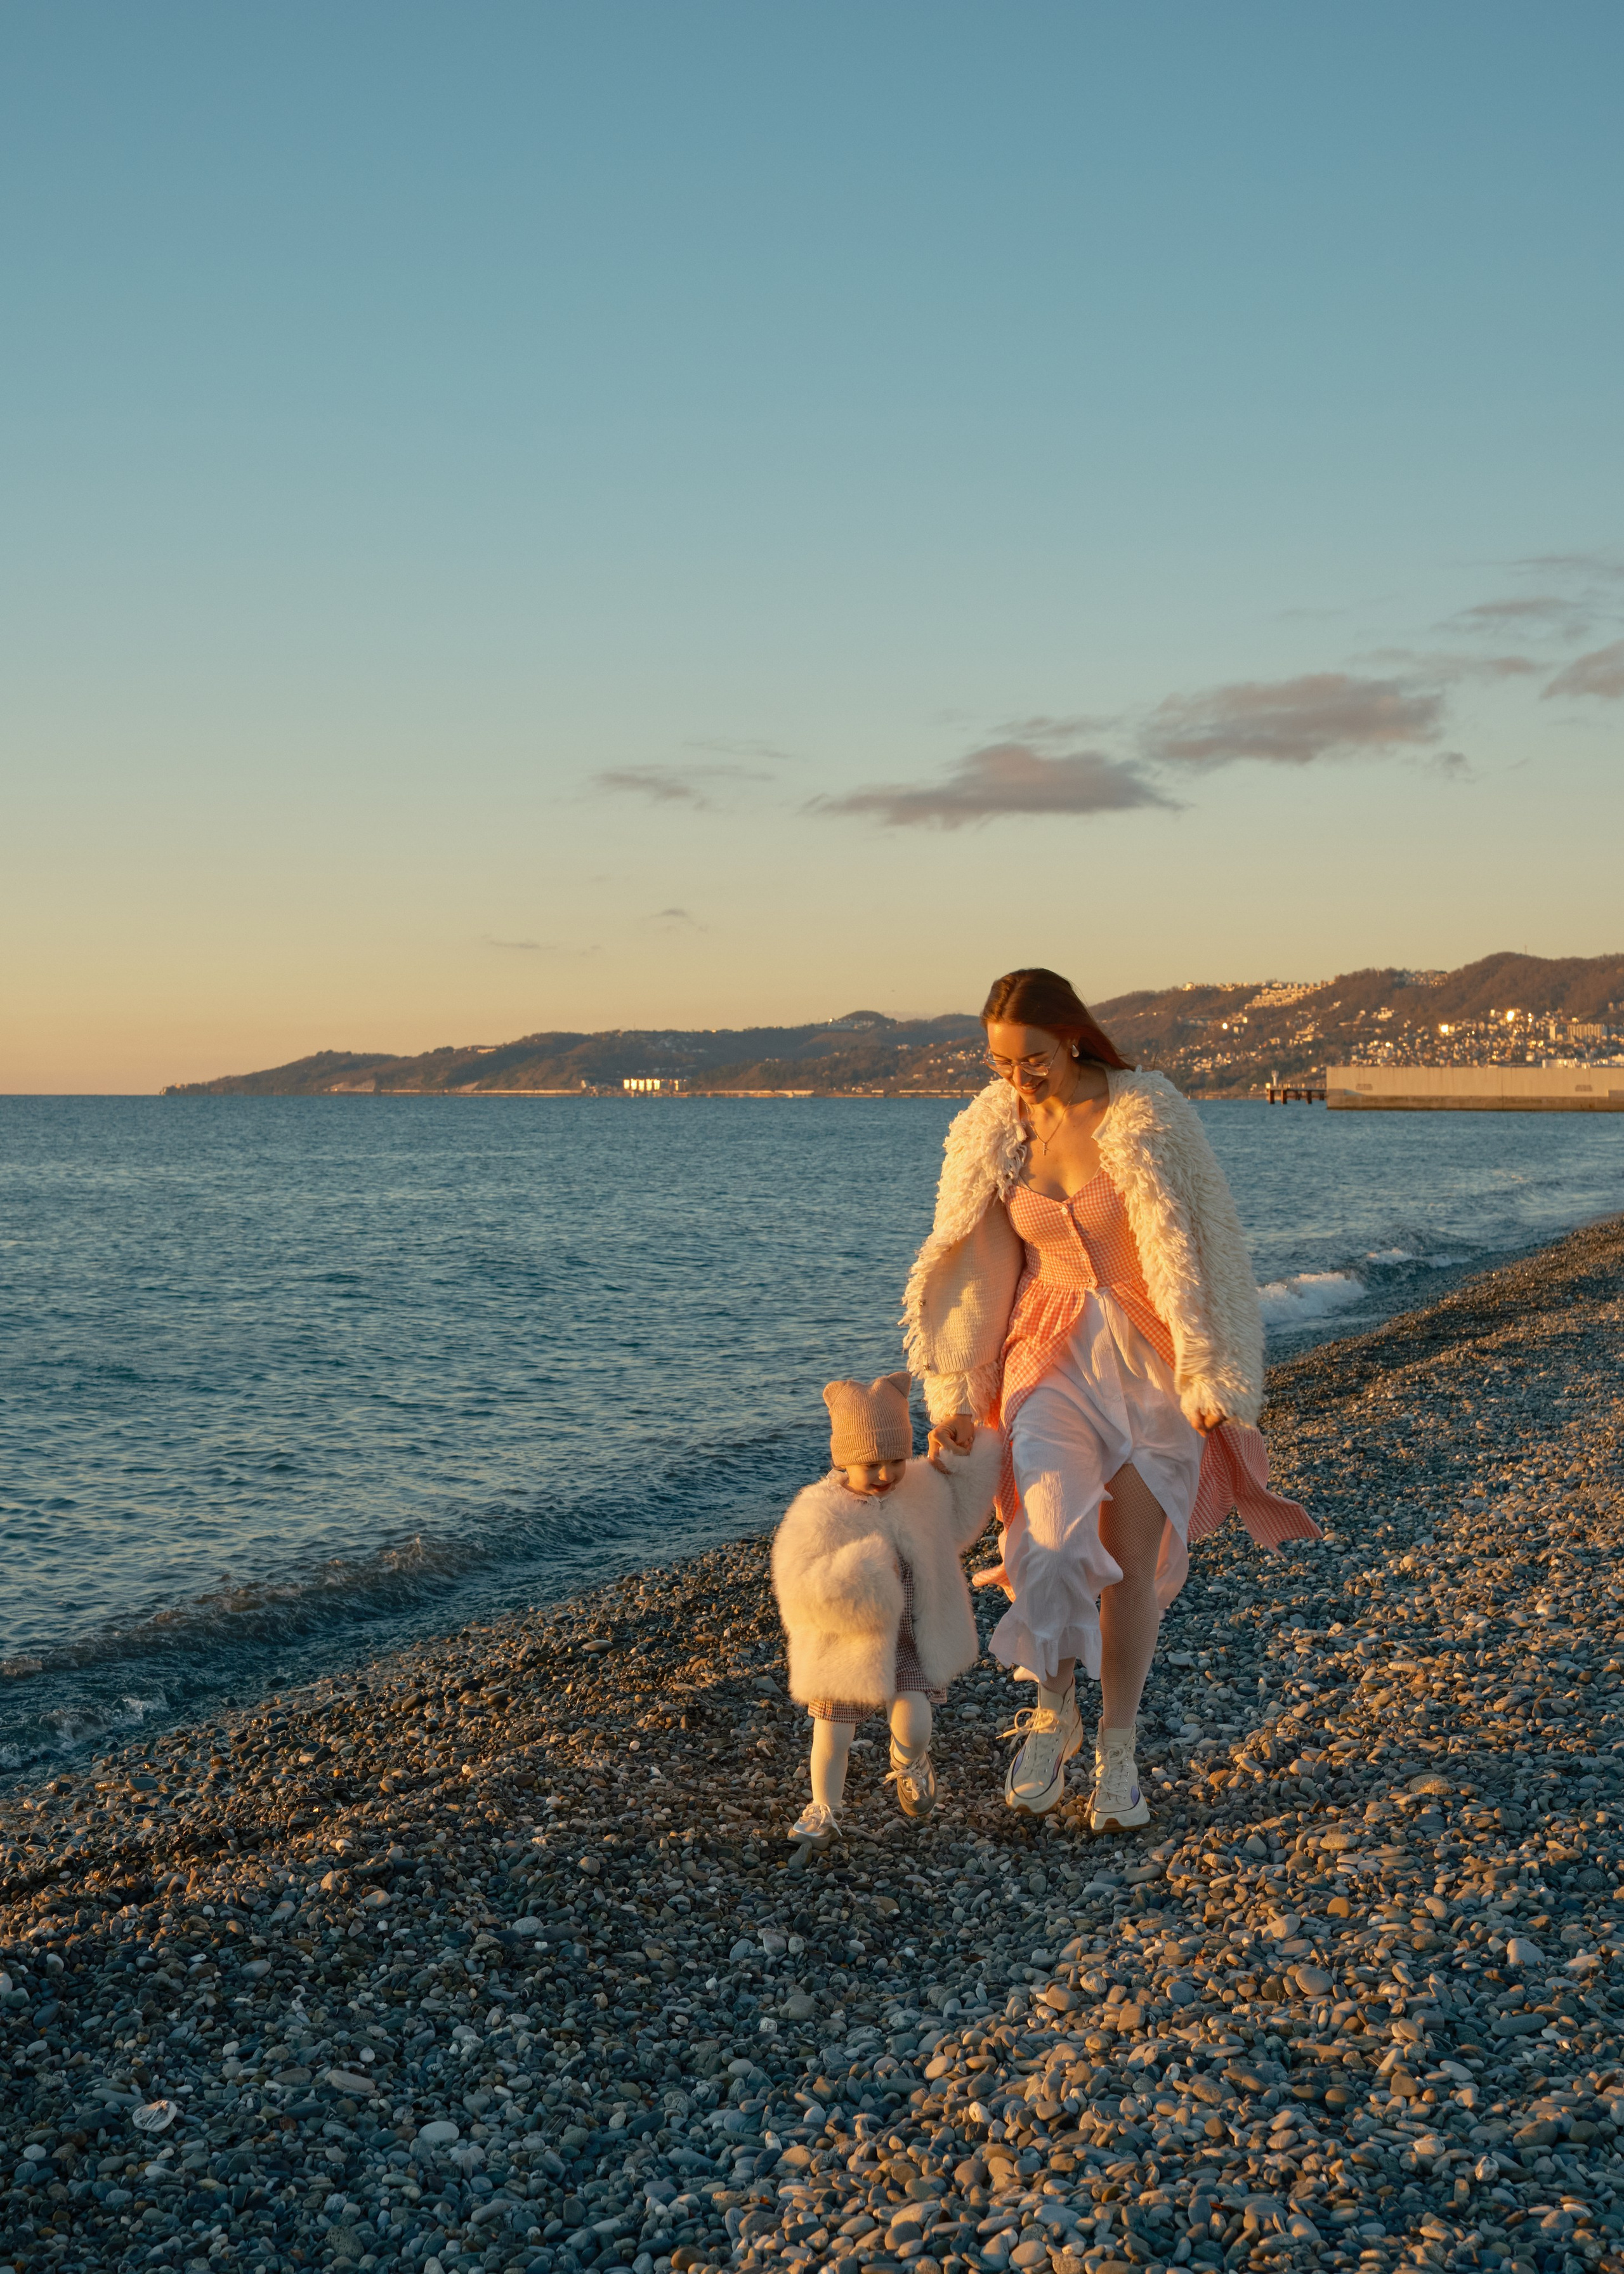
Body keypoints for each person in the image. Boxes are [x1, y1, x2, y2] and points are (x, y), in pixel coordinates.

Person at [903, 968, 1315, 1832]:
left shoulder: (1148, 1113)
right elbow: (976, 1271)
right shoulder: (992, 1133)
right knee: (1046, 1542)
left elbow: (1210, 1241)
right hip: (1045, 1353)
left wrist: (1217, 1373)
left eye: (1035, 1059)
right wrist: (960, 1392)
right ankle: (1053, 1715)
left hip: (1152, 1355)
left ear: (1074, 1038)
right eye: (1002, 1062)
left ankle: (1118, 1756)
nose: (1020, 1078)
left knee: (1126, 1569)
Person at [771, 1370, 1000, 1848]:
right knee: (832, 1735)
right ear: (844, 1459)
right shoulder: (820, 1510)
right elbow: (798, 1582)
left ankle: (908, 1760)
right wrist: (863, 1576)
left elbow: (960, 1521)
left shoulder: (919, 1489)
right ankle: (823, 1807)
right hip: (845, 1641)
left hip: (912, 1639)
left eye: (896, 1459)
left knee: (915, 1723)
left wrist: (958, 1462)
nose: (885, 1474)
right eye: (870, 1463)